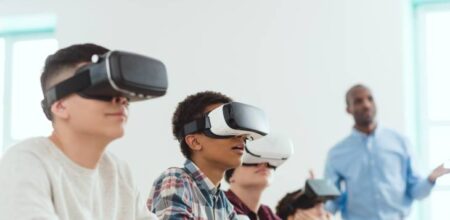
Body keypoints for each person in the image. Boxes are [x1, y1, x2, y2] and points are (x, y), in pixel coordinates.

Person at [0, 43, 161, 219]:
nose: (120, 99)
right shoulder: (27, 162)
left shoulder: (118, 172)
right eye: (102, 87)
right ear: (60, 106)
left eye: (121, 90)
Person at [324, 84, 450, 220]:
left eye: (370, 99)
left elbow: (415, 191)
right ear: (348, 109)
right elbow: (333, 202)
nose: (366, 105)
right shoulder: (336, 154)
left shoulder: (401, 142)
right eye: (358, 101)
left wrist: (431, 179)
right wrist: (315, 198)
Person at [147, 91, 269, 219]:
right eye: (225, 128)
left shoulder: (224, 204)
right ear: (194, 142)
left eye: (241, 131)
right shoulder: (177, 179)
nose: (240, 137)